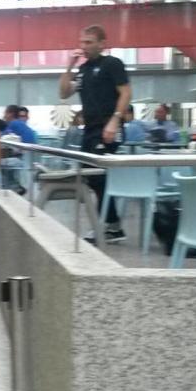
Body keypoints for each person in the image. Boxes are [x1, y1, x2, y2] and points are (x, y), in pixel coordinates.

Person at [59, 24, 131, 244]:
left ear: (102, 43)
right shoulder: (83, 70)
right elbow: (64, 93)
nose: (84, 46)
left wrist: (115, 120)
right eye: (82, 42)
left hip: (107, 127)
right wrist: (70, 65)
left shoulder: (112, 64)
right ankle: (113, 225)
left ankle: (107, 226)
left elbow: (126, 92)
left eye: (89, 42)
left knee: (98, 176)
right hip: (90, 129)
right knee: (93, 177)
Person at [0, 105, 37, 193]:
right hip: (27, 159)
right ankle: (13, 186)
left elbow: (1, 139)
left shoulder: (14, 124)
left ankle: (10, 187)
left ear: (11, 114)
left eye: (5, 113)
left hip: (22, 160)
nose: (4, 116)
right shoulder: (20, 124)